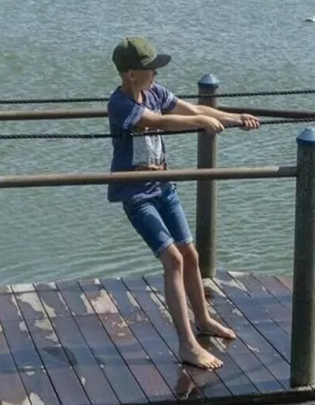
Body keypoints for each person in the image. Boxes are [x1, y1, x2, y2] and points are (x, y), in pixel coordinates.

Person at [108, 36, 259, 369]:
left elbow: (192, 109)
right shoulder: (118, 103)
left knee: (190, 254)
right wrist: (200, 123)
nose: (156, 75)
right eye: (150, 70)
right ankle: (187, 344)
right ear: (131, 74)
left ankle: (203, 320)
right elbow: (156, 121)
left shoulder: (156, 93)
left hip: (164, 186)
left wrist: (234, 117)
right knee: (173, 260)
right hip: (136, 193)